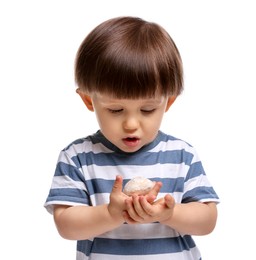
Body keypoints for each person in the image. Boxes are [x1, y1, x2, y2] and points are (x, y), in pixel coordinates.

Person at [44, 16, 220, 260]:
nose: (131, 124)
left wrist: (169, 214)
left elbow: (207, 220)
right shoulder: (78, 157)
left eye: (147, 110)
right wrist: (111, 213)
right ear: (88, 100)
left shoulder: (182, 155)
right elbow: (66, 225)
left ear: (167, 102)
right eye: (115, 110)